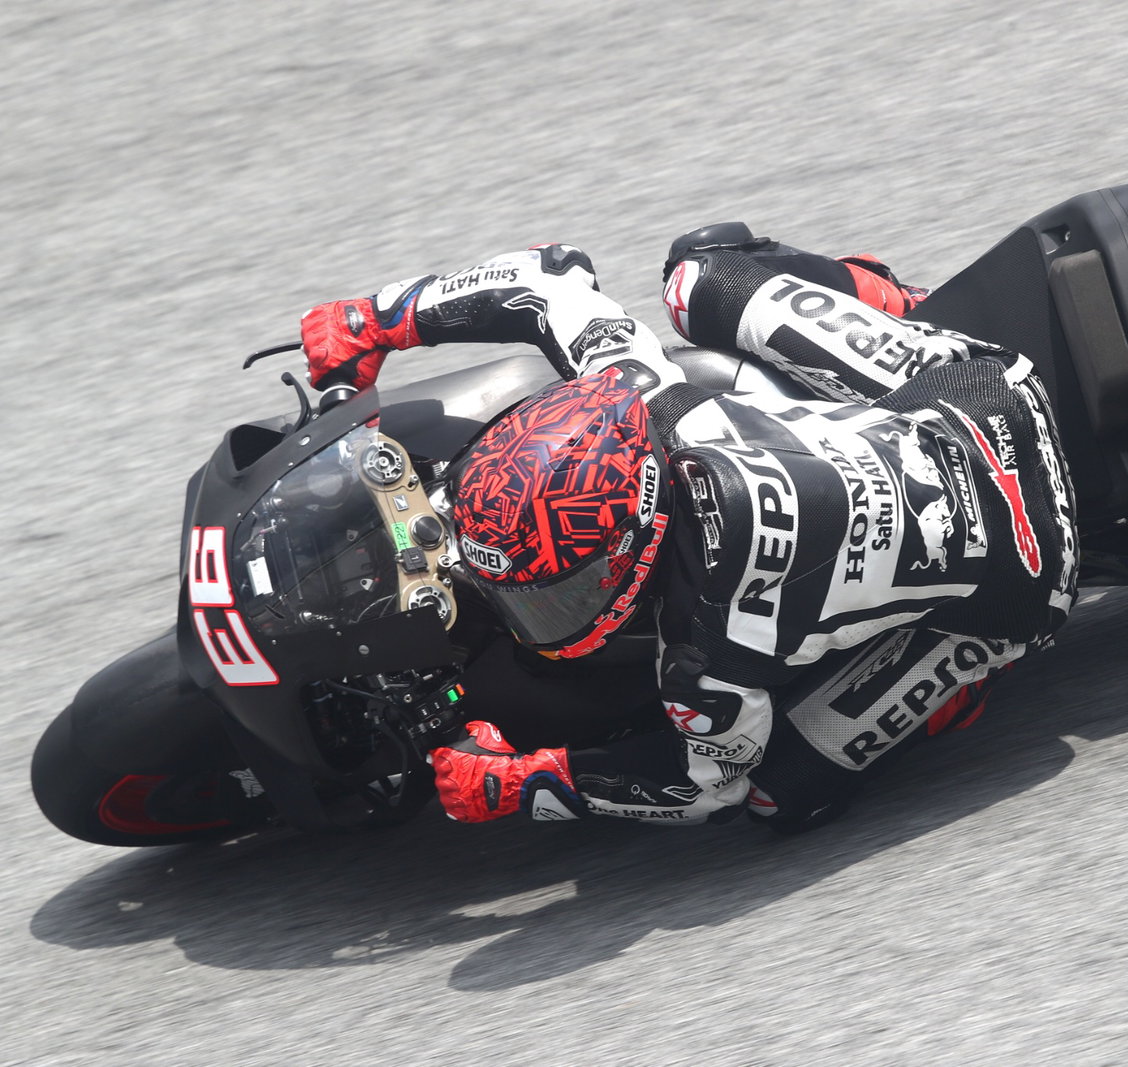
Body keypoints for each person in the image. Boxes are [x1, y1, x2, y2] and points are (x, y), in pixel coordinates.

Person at [298, 224, 1078, 833]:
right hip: (984, 393)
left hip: (1027, 579)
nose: (524, 614)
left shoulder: (708, 653)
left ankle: (966, 679)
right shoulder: (643, 391)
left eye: (552, 595)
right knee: (696, 273)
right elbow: (547, 276)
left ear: (633, 550)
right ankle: (893, 303)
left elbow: (708, 787)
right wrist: (379, 318)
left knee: (782, 796)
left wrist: (531, 782)